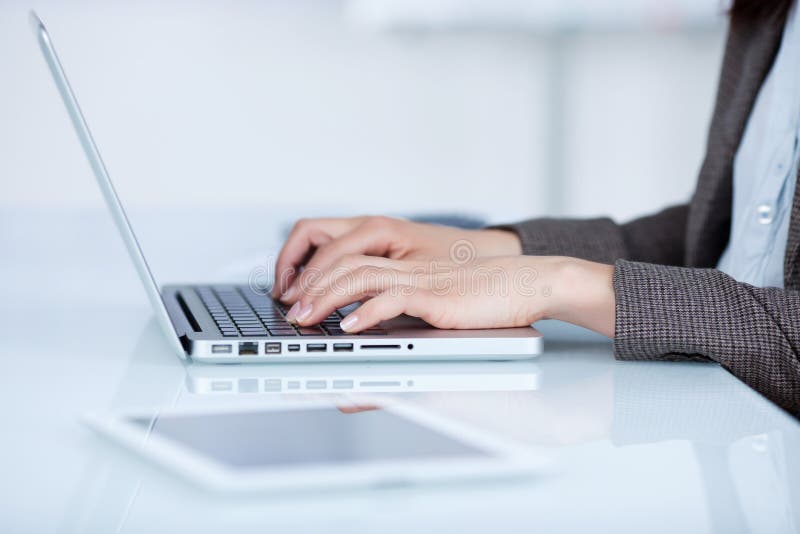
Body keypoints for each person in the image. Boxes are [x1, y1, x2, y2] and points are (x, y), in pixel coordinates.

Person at [271, 0, 800, 417]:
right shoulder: (771, 13)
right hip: (725, 433)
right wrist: (480, 251)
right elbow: (729, 235)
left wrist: (559, 284)